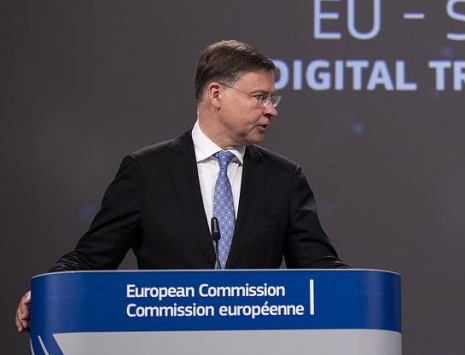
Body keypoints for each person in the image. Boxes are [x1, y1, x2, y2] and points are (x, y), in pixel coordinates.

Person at [15, 40, 346, 332]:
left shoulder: (283, 178)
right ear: (216, 94)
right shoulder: (146, 172)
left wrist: (362, 291)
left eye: (273, 99)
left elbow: (320, 268)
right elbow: (90, 259)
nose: (271, 110)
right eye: (260, 97)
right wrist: (46, 293)